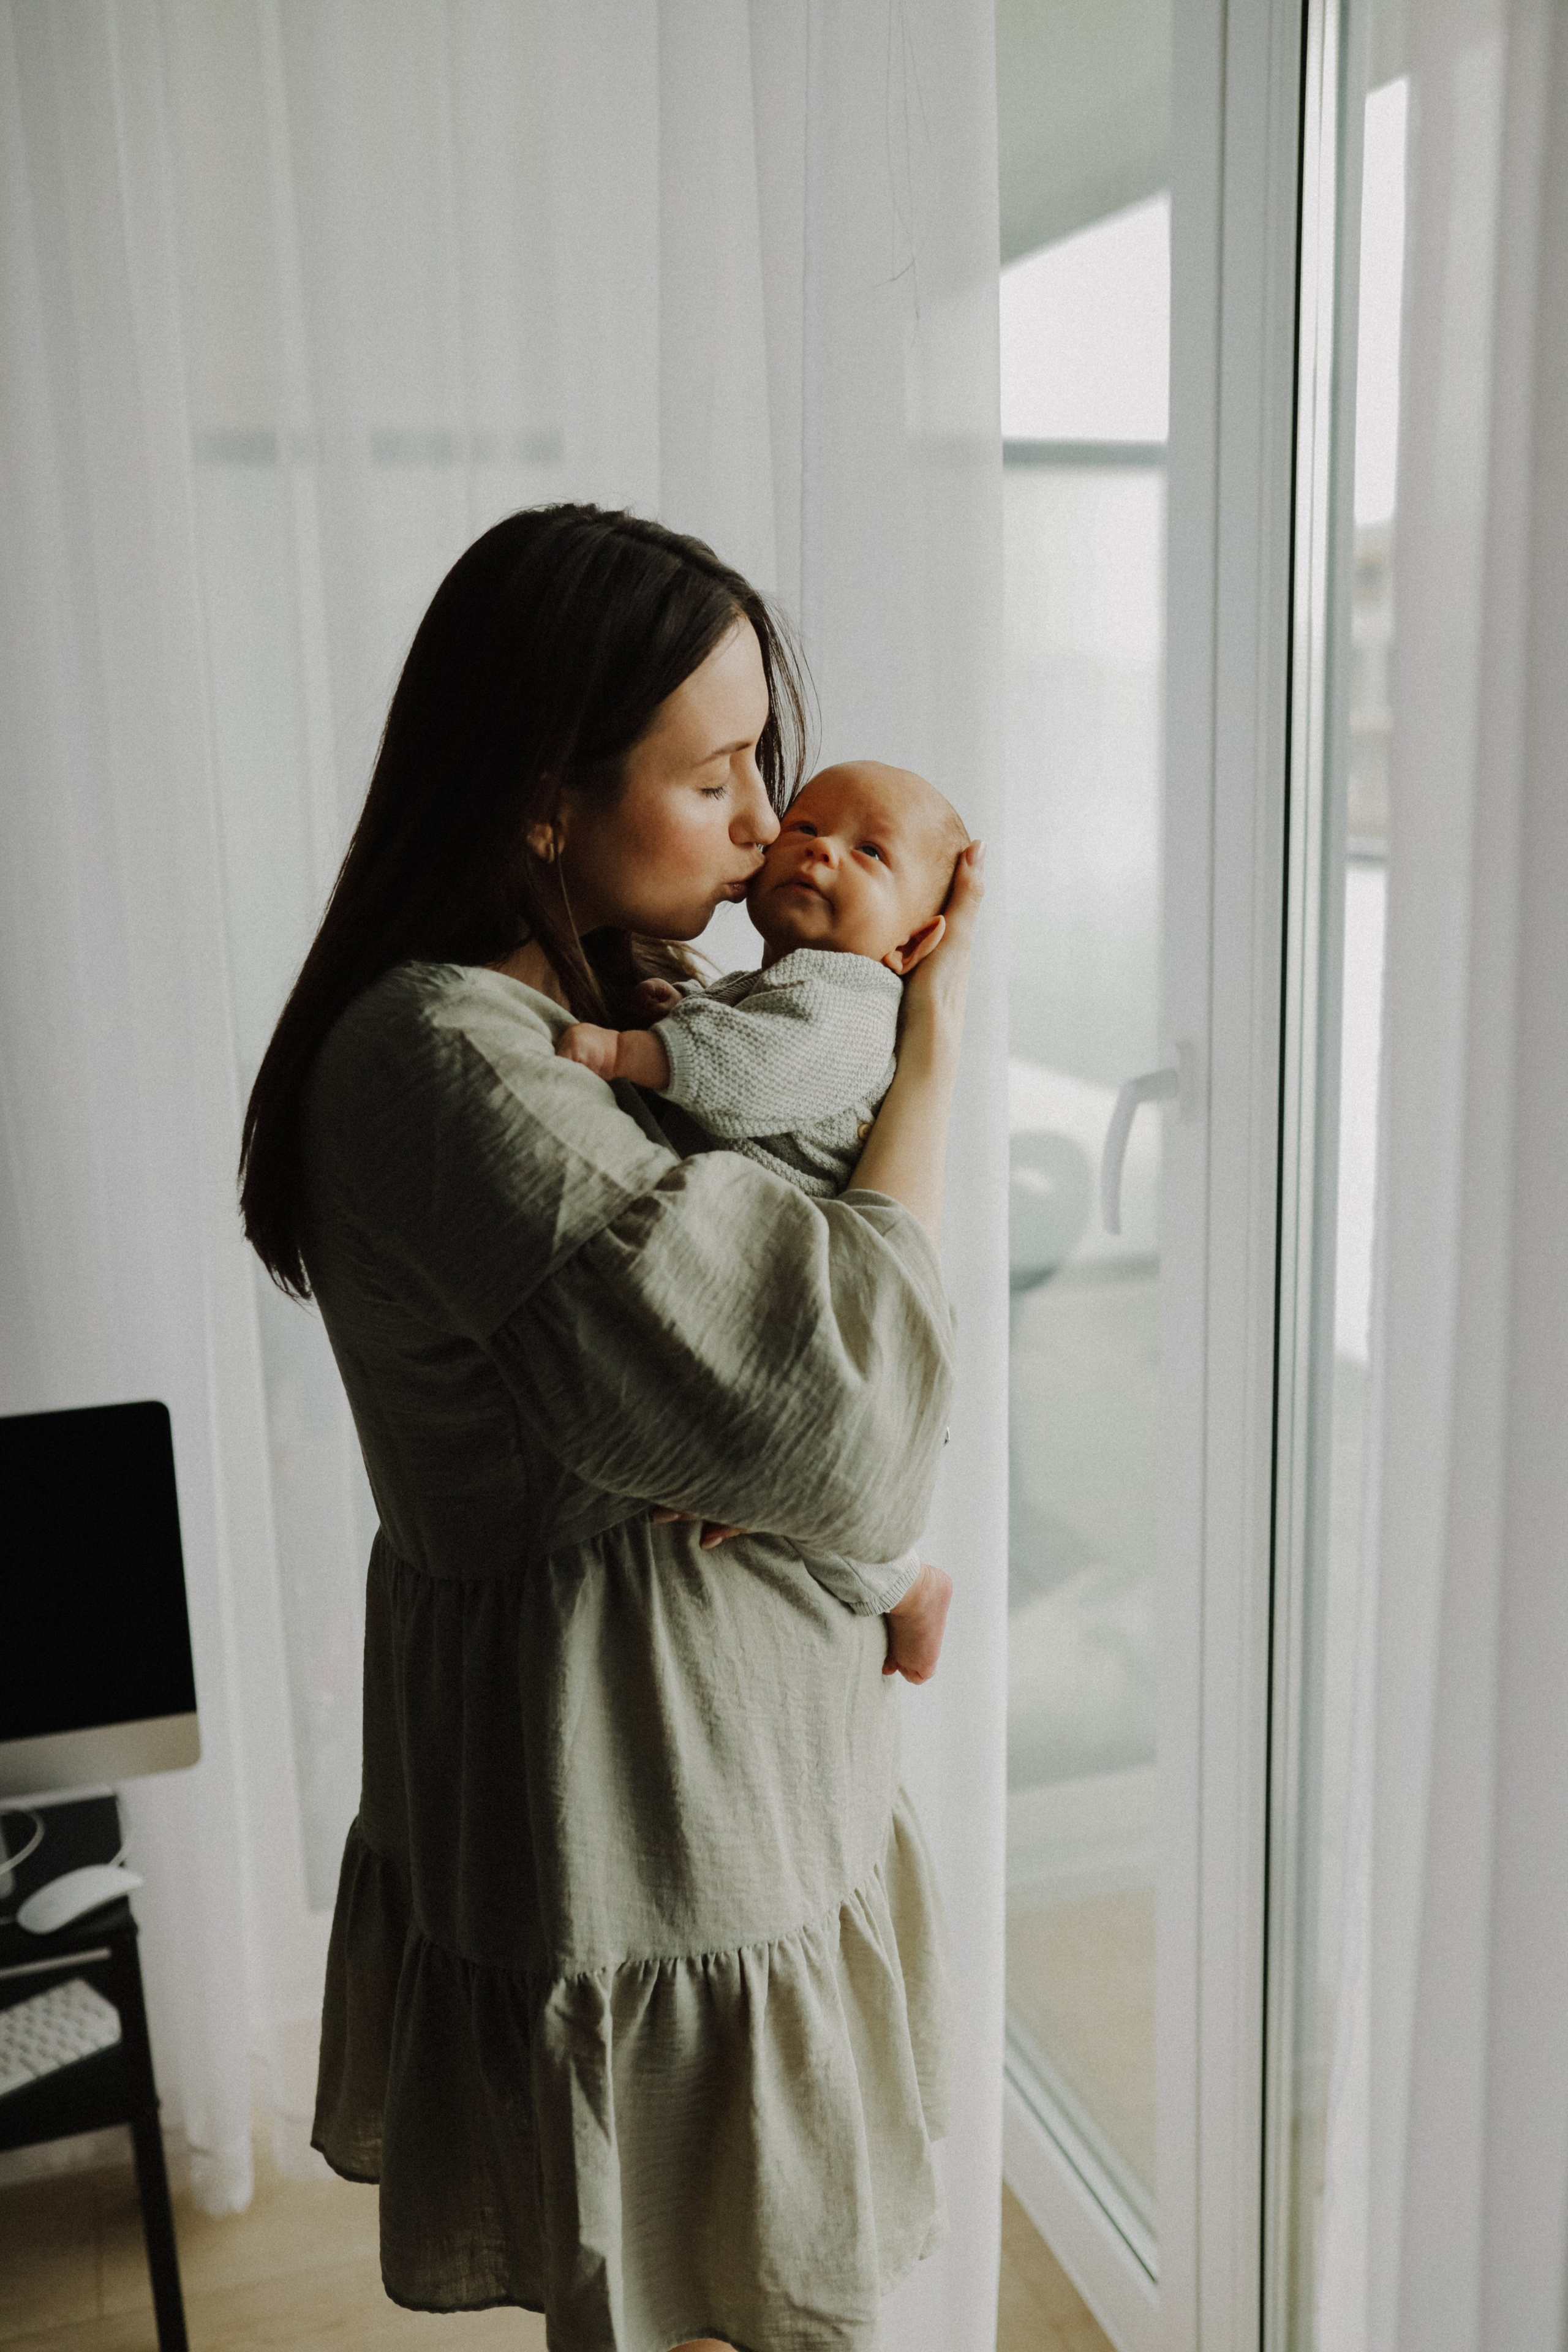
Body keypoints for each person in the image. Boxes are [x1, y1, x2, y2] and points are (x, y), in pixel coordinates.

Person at [238, 503, 983, 2352]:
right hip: (635, 1796)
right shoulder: (447, 1059)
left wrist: (898, 1038)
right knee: (684, 2295)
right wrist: (936, 1056)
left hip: (736, 1767)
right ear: (541, 798)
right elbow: (854, 1422)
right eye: (719, 771)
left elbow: (816, 1378)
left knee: (761, 2276)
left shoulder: (636, 1000)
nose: (765, 826)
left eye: (768, 766)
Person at [552, 760, 969, 1202]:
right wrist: (684, 1005)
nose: (823, 848)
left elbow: (759, 1065)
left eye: (871, 852)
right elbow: (757, 1025)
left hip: (748, 1213)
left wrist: (627, 1052)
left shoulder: (857, 1012)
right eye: (805, 828)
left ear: (911, 944)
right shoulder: (789, 984)